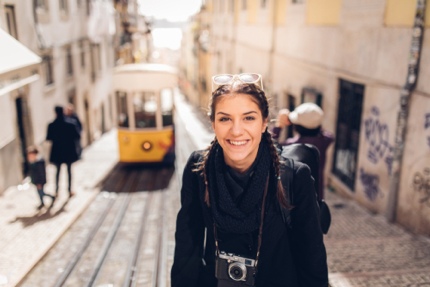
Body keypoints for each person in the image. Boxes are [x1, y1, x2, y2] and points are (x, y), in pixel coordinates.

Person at [171, 74, 328, 287]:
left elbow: (312, 260)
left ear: (264, 123)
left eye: (249, 118)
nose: (236, 130)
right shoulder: (198, 169)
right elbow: (187, 249)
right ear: (213, 123)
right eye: (225, 118)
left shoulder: (294, 177)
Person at [271, 103, 334, 201]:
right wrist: (314, 123)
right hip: (317, 195)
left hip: (296, 197)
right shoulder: (324, 141)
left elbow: (270, 145)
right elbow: (329, 135)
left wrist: (279, 126)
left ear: (296, 126)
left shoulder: (291, 145)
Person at [46, 106, 81, 197]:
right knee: (69, 171)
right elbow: (77, 136)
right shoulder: (71, 124)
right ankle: (69, 190)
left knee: (57, 172)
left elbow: (49, 138)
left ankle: (57, 191)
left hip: (57, 152)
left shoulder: (52, 125)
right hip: (68, 151)